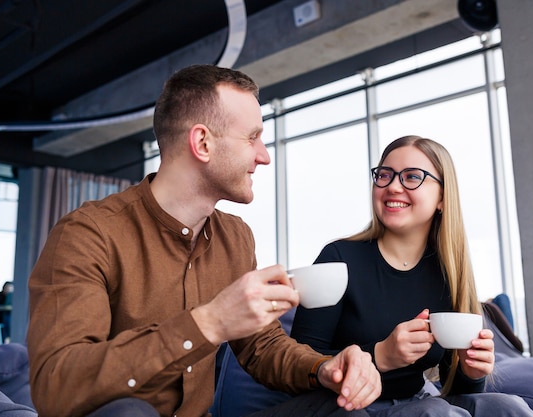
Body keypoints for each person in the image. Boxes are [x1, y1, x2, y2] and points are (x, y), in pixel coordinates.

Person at [26, 64, 381, 417]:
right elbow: (56, 386)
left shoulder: (236, 237)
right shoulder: (88, 233)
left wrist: (326, 369)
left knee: (338, 410)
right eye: (252, 137)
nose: (264, 155)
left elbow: (262, 346)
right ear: (202, 143)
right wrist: (209, 322)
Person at [290, 135, 533, 417]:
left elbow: (456, 391)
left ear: (442, 198)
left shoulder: (449, 273)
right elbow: (299, 369)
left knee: (508, 407)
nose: (393, 186)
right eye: (384, 175)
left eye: (412, 177)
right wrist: (381, 355)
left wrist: (471, 372)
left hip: (417, 403)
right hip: (344, 408)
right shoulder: (338, 259)